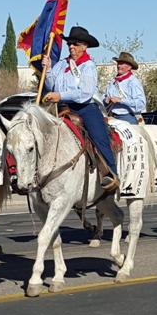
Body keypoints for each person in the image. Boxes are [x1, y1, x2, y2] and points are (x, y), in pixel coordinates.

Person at [42, 26, 118, 191]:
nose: (71, 46)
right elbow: (51, 84)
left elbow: (85, 93)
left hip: (85, 107)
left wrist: (60, 95)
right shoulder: (62, 64)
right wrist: (47, 69)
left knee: (99, 136)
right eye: (69, 43)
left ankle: (111, 173)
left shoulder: (88, 66)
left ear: (84, 46)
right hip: (62, 108)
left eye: (75, 43)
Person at [103, 52, 146, 125]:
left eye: (122, 64)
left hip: (127, 116)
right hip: (111, 115)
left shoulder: (133, 82)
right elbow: (104, 96)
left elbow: (141, 103)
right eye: (119, 63)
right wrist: (106, 100)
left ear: (129, 67)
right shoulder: (113, 81)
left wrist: (121, 100)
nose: (119, 66)